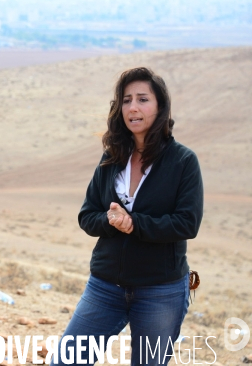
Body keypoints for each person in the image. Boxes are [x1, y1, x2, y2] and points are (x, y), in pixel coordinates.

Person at [54, 67, 203, 366]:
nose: (133, 107)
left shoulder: (183, 161)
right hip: (105, 286)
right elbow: (87, 215)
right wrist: (110, 221)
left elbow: (187, 223)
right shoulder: (112, 157)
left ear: (160, 107)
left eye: (143, 99)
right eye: (126, 100)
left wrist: (135, 224)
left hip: (160, 292)